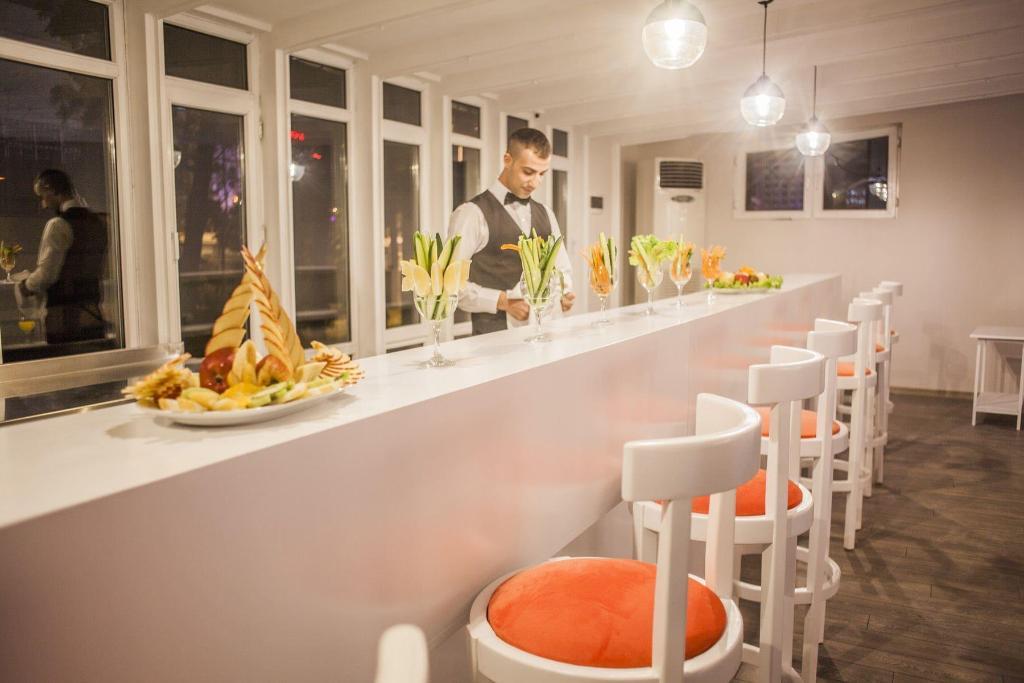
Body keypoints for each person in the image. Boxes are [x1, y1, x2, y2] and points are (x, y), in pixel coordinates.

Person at [448, 128, 575, 335]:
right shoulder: (471, 214)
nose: (536, 182)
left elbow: (563, 269)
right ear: (508, 160)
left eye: (542, 174)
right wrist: (502, 301)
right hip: (494, 341)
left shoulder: (547, 214)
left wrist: (564, 292)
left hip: (546, 335)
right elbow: (450, 283)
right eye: (528, 172)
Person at [16, 169, 109, 345]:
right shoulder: (99, 223)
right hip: (93, 314)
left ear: (51, 190)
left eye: (43, 196)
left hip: (64, 320)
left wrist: (25, 285)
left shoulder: (58, 225)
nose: (44, 204)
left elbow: (47, 274)